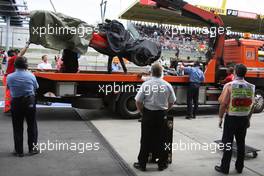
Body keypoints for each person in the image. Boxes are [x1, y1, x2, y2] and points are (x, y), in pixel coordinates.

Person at [134, 63, 176, 171]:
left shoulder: (146, 84)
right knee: (162, 139)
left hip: (148, 114)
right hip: (161, 115)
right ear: (162, 72)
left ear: (151, 72)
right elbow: (172, 101)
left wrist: (142, 112)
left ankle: (142, 163)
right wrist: (166, 110)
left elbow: (138, 101)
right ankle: (162, 164)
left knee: (145, 139)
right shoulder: (167, 85)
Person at [215, 64, 255, 174]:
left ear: (235, 73)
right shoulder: (251, 86)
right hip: (244, 119)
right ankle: (239, 167)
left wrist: (220, 118)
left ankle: (225, 168)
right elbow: (252, 105)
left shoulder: (229, 85)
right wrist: (248, 119)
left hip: (231, 118)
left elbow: (223, 104)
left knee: (228, 143)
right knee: (241, 143)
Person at [7, 56, 39, 157]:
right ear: (26, 65)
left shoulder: (10, 76)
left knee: (17, 126)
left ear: (15, 65)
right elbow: (36, 87)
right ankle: (32, 149)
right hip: (29, 101)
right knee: (32, 125)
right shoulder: (31, 75)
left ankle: (19, 151)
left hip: (16, 102)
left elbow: (8, 87)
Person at [3, 43, 30, 113]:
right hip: (9, 77)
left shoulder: (9, 59)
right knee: (9, 93)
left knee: (9, 92)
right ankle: (8, 107)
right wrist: (27, 45)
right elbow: (21, 54)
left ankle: (9, 107)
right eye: (16, 52)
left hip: (8, 77)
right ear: (13, 53)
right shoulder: (12, 58)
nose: (17, 53)